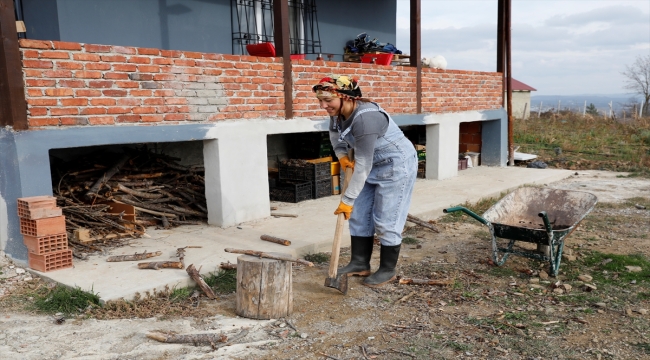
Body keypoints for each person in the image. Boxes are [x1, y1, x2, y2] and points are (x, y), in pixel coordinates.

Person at [312, 75, 418, 287]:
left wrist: (347, 199)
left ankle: (388, 269)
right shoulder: (338, 114)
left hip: (394, 165)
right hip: (367, 164)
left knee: (387, 218)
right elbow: (335, 135)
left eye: (328, 101)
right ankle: (360, 262)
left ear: (346, 98)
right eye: (320, 101)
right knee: (359, 215)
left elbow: (363, 165)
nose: (323, 106)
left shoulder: (366, 119)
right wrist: (341, 155)